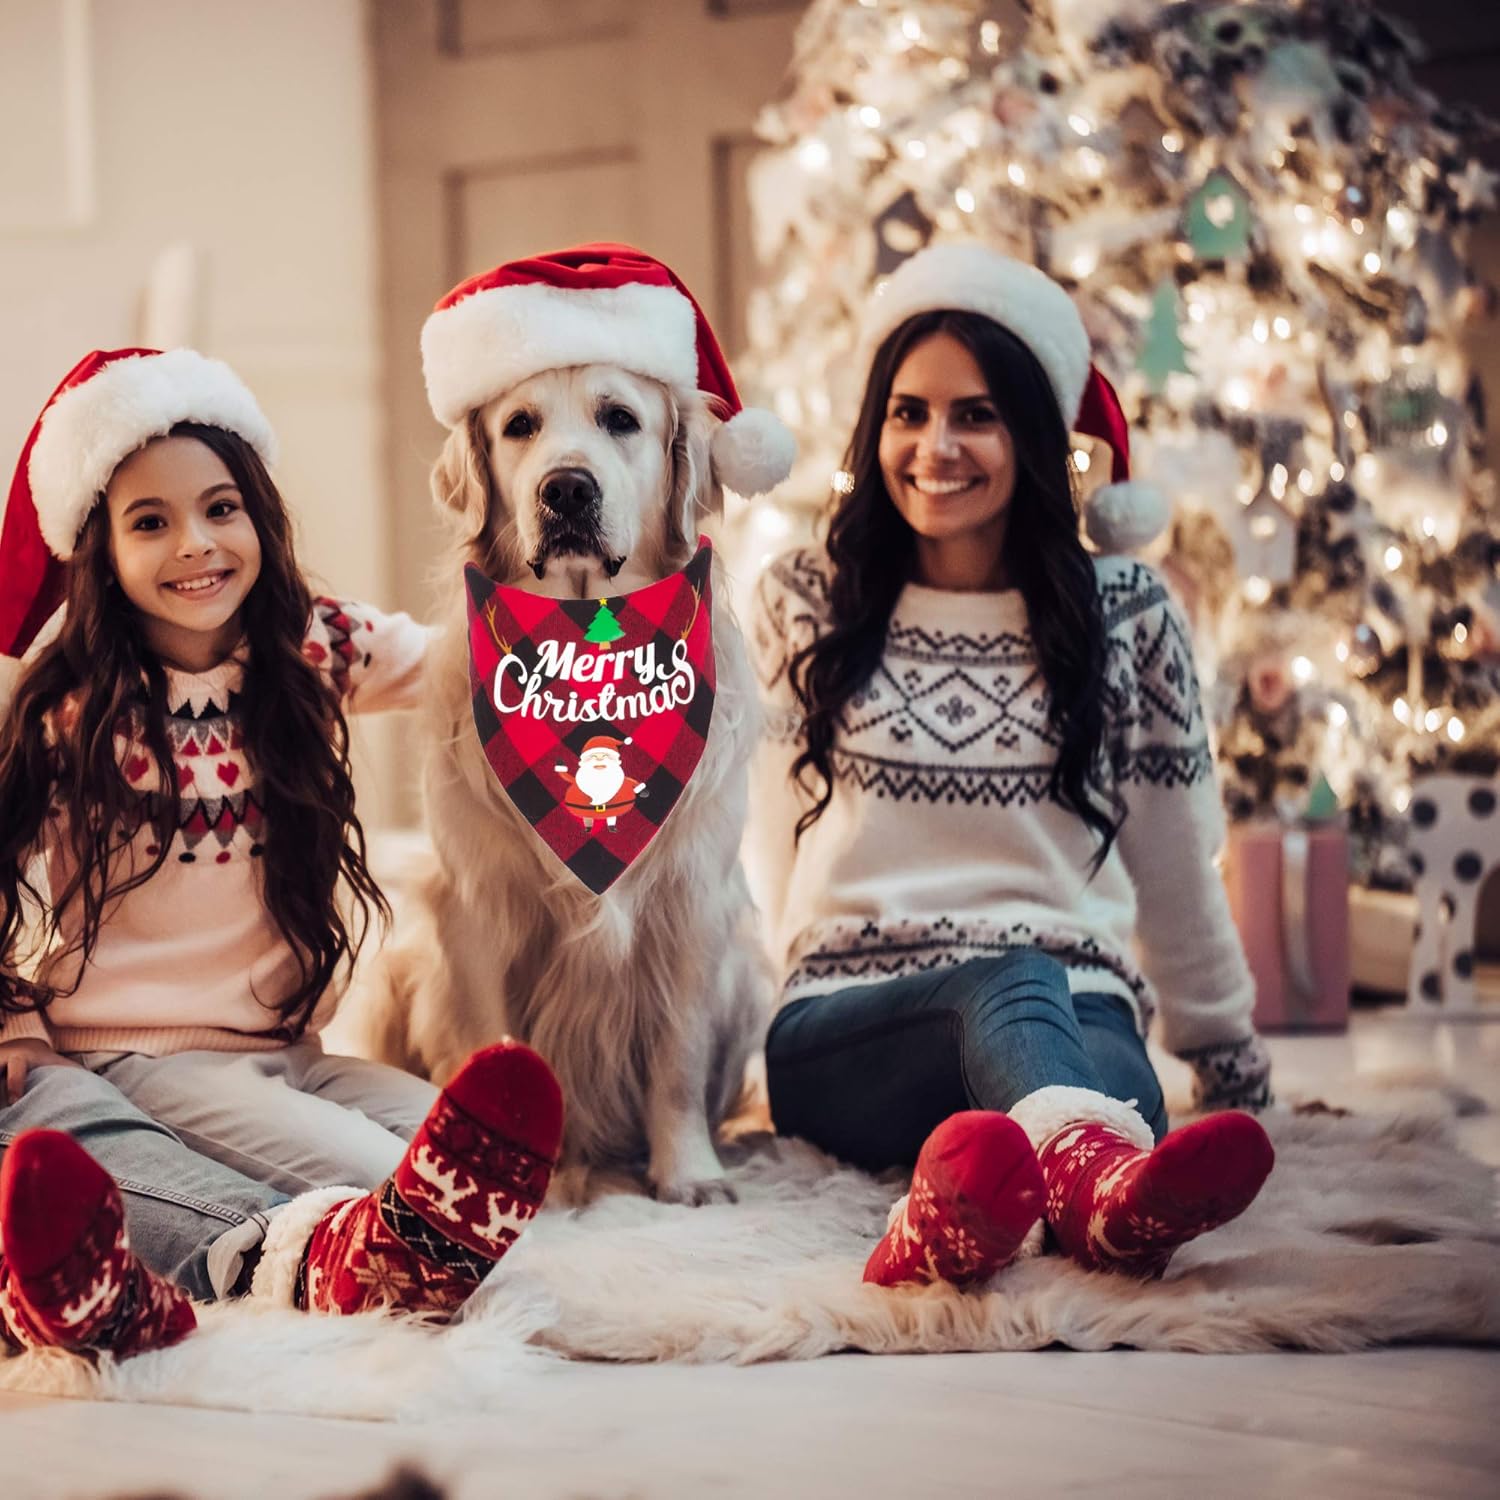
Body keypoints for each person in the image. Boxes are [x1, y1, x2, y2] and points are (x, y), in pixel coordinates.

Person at [0, 348, 563, 1361]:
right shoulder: (73, 707)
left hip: (290, 1053)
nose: (196, 545)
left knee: (488, 1163)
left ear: (259, 513)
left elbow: (457, 660)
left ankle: (373, 1228)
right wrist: (16, 1033)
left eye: (221, 509)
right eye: (151, 523)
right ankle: (308, 1252)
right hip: (143, 1058)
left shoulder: (305, 651)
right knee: (398, 1190)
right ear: (101, 552)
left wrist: (590, 627)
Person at [747, 244, 1274, 1291]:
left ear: (1033, 435)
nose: (935, 446)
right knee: (1015, 986)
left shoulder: (1126, 612)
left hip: (1080, 1008)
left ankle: (965, 1212)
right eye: (909, 412)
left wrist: (1226, 1056)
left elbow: (1175, 858)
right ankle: (1092, 1188)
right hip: (851, 1028)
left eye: (975, 414)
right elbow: (748, 847)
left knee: (1117, 1088)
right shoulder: (803, 601)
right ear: (876, 426)